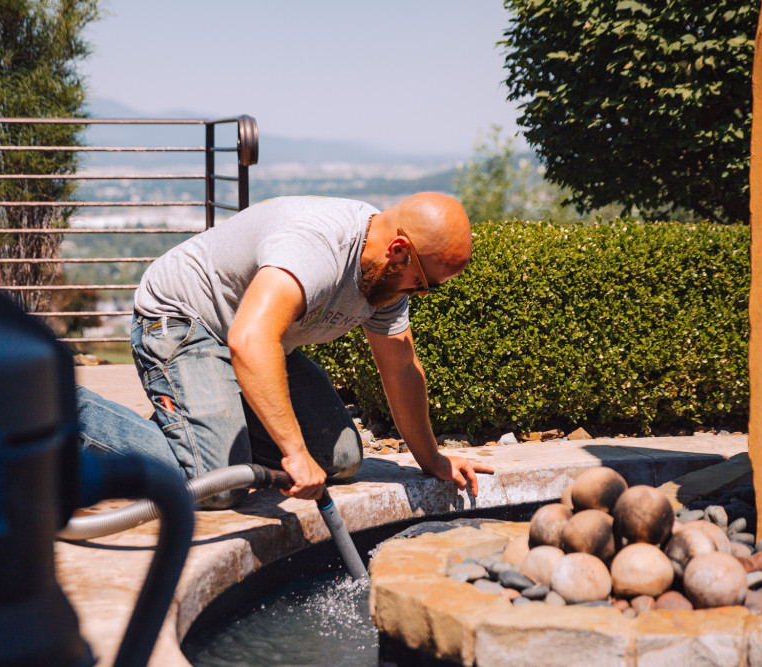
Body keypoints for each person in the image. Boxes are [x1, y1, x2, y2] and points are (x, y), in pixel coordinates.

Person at [76, 192, 494, 507]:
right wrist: (293, 453)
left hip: (254, 341)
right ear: (399, 250)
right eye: (425, 283)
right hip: (186, 321)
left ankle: (194, 421)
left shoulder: (387, 278)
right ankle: (67, 409)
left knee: (343, 459)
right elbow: (249, 340)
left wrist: (432, 459)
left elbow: (401, 369)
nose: (420, 294)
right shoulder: (316, 248)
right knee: (220, 485)